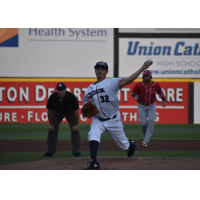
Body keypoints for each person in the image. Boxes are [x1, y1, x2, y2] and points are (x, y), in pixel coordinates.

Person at [83, 60, 153, 170]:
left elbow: (128, 80)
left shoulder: (112, 82)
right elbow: (87, 105)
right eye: (98, 69)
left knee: (124, 146)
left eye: (102, 69)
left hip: (113, 120)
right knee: (93, 135)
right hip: (98, 120)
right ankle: (94, 163)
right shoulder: (90, 89)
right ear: (95, 71)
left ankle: (131, 145)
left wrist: (142, 69)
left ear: (107, 71)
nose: (100, 71)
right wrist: (86, 110)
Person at [43, 82, 81, 157]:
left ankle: (76, 151)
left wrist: (75, 124)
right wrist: (51, 124)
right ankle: (49, 151)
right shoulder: (53, 96)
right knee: (52, 129)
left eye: (61, 90)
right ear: (56, 90)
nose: (60, 92)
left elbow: (76, 111)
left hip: (70, 112)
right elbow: (50, 110)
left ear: (65, 90)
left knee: (75, 130)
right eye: (58, 90)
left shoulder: (71, 96)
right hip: (57, 112)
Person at [131, 70, 166, 148]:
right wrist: (135, 96)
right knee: (143, 124)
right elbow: (133, 92)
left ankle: (146, 140)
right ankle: (146, 136)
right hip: (141, 106)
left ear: (150, 76)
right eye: (145, 76)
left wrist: (163, 100)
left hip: (151, 106)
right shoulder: (139, 85)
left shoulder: (155, 84)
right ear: (143, 77)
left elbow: (160, 92)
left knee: (152, 121)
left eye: (148, 76)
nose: (147, 77)